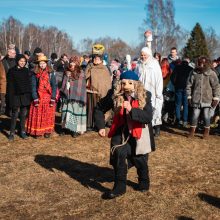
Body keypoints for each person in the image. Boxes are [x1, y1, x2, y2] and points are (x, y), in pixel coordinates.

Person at [94, 70, 155, 199]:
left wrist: (132, 110)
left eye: (129, 83)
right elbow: (99, 108)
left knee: (139, 158)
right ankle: (119, 187)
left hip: (139, 130)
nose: (126, 86)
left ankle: (144, 182)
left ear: (136, 84)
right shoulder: (114, 94)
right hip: (120, 130)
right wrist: (100, 126)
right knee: (119, 154)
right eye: (123, 83)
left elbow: (148, 117)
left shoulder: (145, 95)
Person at [186, 56, 220, 139]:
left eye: (203, 63)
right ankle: (192, 131)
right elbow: (189, 85)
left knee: (206, 116)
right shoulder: (193, 72)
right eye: (200, 63)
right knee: (194, 115)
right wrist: (189, 96)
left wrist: (216, 98)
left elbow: (216, 86)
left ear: (206, 63)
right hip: (196, 98)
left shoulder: (211, 73)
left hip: (207, 98)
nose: (201, 65)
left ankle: (206, 132)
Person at [26, 55, 57, 138]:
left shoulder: (51, 73)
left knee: (47, 115)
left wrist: (53, 97)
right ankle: (37, 132)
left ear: (46, 63)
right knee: (38, 115)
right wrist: (35, 98)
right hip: (38, 97)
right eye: (40, 63)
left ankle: (47, 131)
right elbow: (33, 86)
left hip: (48, 97)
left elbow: (54, 86)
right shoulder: (35, 73)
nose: (42, 65)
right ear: (38, 64)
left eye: (44, 63)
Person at [135, 47, 163, 137]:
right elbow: (136, 76)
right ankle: (144, 128)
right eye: (142, 55)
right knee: (142, 108)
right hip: (141, 90)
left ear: (149, 55)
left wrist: (158, 92)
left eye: (145, 55)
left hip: (152, 90)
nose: (143, 57)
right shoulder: (139, 64)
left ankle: (156, 128)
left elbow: (159, 79)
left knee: (154, 109)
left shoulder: (154, 64)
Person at [60, 56, 87, 137]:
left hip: (77, 97)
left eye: (74, 62)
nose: (72, 64)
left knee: (75, 112)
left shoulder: (81, 72)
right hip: (67, 95)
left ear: (77, 63)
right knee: (66, 111)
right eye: (71, 62)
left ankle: (74, 130)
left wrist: (71, 75)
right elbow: (63, 83)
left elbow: (81, 85)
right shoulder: (66, 72)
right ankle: (65, 128)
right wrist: (67, 76)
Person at [7, 54, 32, 141]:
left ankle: (23, 132)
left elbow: (29, 84)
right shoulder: (11, 71)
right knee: (15, 114)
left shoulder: (26, 70)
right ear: (17, 61)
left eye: (24, 61)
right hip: (15, 96)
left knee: (23, 114)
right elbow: (10, 86)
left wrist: (30, 96)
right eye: (21, 61)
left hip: (25, 96)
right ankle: (12, 133)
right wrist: (10, 98)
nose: (22, 63)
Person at [85, 52, 111, 130]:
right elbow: (85, 76)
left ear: (101, 60)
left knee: (98, 109)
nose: (95, 60)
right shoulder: (90, 66)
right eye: (94, 58)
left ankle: (98, 124)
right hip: (90, 91)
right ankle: (90, 124)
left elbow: (106, 82)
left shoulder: (104, 68)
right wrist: (89, 69)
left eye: (97, 59)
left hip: (100, 93)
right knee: (90, 108)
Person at [171, 59, 193, 127]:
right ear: (188, 63)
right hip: (187, 88)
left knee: (178, 104)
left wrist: (175, 84)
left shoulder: (177, 67)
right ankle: (185, 121)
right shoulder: (190, 69)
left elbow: (172, 78)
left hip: (178, 87)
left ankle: (178, 120)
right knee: (186, 105)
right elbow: (192, 79)